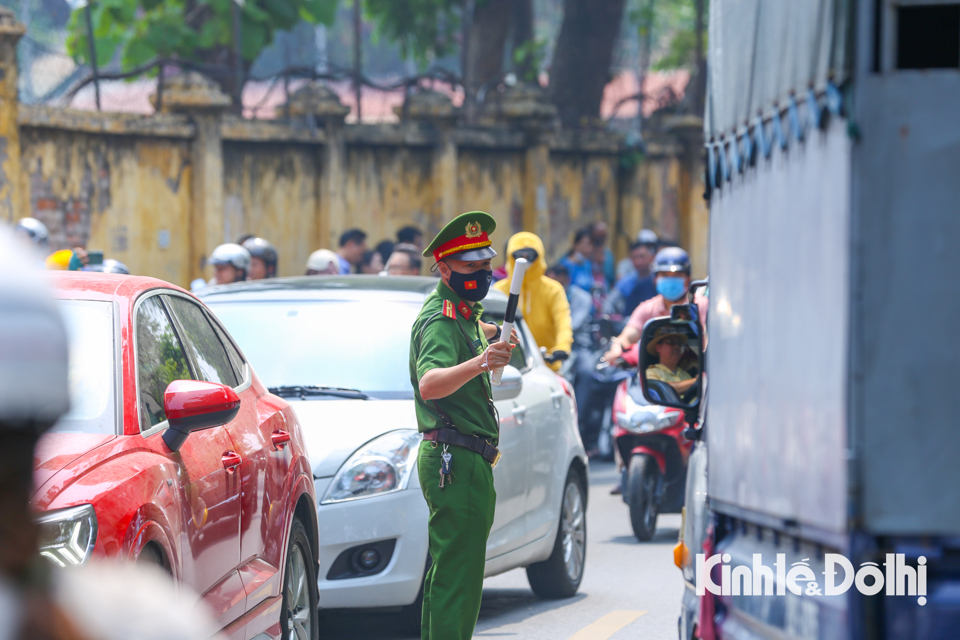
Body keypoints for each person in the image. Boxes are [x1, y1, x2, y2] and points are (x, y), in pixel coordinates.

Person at [411, 211, 517, 640]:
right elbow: (430, 383)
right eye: (470, 266)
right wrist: (481, 362)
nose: (482, 273)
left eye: (485, 264)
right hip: (456, 459)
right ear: (443, 268)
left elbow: (473, 328)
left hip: (459, 458)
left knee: (448, 577)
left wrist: (490, 334)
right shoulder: (440, 318)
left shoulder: (461, 312)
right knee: (459, 582)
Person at [604, 247, 707, 363]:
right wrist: (617, 348)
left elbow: (709, 339)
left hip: (695, 375)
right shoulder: (647, 308)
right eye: (664, 275)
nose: (670, 279)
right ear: (655, 279)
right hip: (653, 375)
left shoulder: (701, 306)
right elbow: (628, 335)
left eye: (677, 275)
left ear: (688, 279)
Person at [493, 232, 572, 371]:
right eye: (519, 255)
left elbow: (563, 322)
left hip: (548, 364)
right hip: (507, 367)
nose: (525, 259)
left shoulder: (553, 289)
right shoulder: (499, 290)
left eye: (530, 255)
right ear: (510, 257)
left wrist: (562, 347)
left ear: (540, 256)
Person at [605, 240, 658, 316]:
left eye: (641, 256)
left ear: (651, 257)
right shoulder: (626, 281)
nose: (638, 261)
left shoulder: (657, 280)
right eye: (634, 258)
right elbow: (610, 301)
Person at [546, 264, 593, 347]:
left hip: (578, 344)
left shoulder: (583, 298)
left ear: (566, 279)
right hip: (551, 342)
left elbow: (574, 325)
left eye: (555, 282)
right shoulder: (546, 296)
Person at [645, 327, 697, 395]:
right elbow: (660, 391)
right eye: (671, 342)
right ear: (658, 347)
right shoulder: (650, 373)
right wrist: (696, 381)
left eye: (679, 344)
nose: (677, 347)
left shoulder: (686, 375)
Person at [559, 228, 596, 294]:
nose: (587, 249)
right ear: (575, 245)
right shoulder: (565, 265)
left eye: (590, 244)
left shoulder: (587, 265)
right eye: (585, 244)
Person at [590, 221, 616, 287]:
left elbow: (611, 278)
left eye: (602, 236)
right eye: (598, 235)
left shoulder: (608, 255)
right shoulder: (586, 252)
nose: (600, 239)